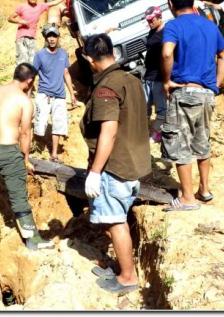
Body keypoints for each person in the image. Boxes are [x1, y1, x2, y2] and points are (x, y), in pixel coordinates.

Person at [80, 34, 151, 295]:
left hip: (115, 167)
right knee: (117, 217)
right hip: (134, 162)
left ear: (90, 59)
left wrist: (95, 173)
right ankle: (122, 266)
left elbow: (108, 131)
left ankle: (127, 278)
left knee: (115, 222)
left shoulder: (106, 86)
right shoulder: (131, 79)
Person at [161, 0, 224, 211]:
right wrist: (216, 84)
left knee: (180, 144)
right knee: (202, 141)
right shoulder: (210, 26)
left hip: (184, 91)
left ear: (170, 4)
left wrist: (166, 80)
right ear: (193, 2)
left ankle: (187, 198)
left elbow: (167, 52)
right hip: (206, 94)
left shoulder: (173, 26)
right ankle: (205, 189)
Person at [0, 63, 54, 251]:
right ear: (29, 81)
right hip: (7, 151)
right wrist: (25, 160)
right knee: (18, 196)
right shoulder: (24, 101)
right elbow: (25, 134)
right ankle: (33, 239)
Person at [32, 25, 78, 163]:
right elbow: (33, 74)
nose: (52, 39)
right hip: (44, 94)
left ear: (58, 38)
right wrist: (27, 93)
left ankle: (54, 154)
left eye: (54, 36)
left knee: (58, 124)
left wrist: (72, 94)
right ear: (46, 38)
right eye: (49, 36)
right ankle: (34, 149)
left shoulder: (63, 53)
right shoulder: (40, 55)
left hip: (59, 95)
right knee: (40, 123)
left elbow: (66, 73)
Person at [9, 0, 69, 65]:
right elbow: (10, 18)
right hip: (22, 37)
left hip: (32, 38)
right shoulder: (22, 7)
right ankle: (22, 76)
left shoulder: (40, 6)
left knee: (32, 62)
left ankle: (30, 77)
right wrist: (21, 21)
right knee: (22, 62)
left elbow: (54, 3)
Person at [142, 6, 167, 143]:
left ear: (159, 17)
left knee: (161, 107)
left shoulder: (166, 33)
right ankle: (141, 132)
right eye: (148, 20)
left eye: (152, 20)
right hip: (148, 75)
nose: (149, 23)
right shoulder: (152, 32)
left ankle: (158, 134)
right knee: (144, 105)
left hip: (159, 76)